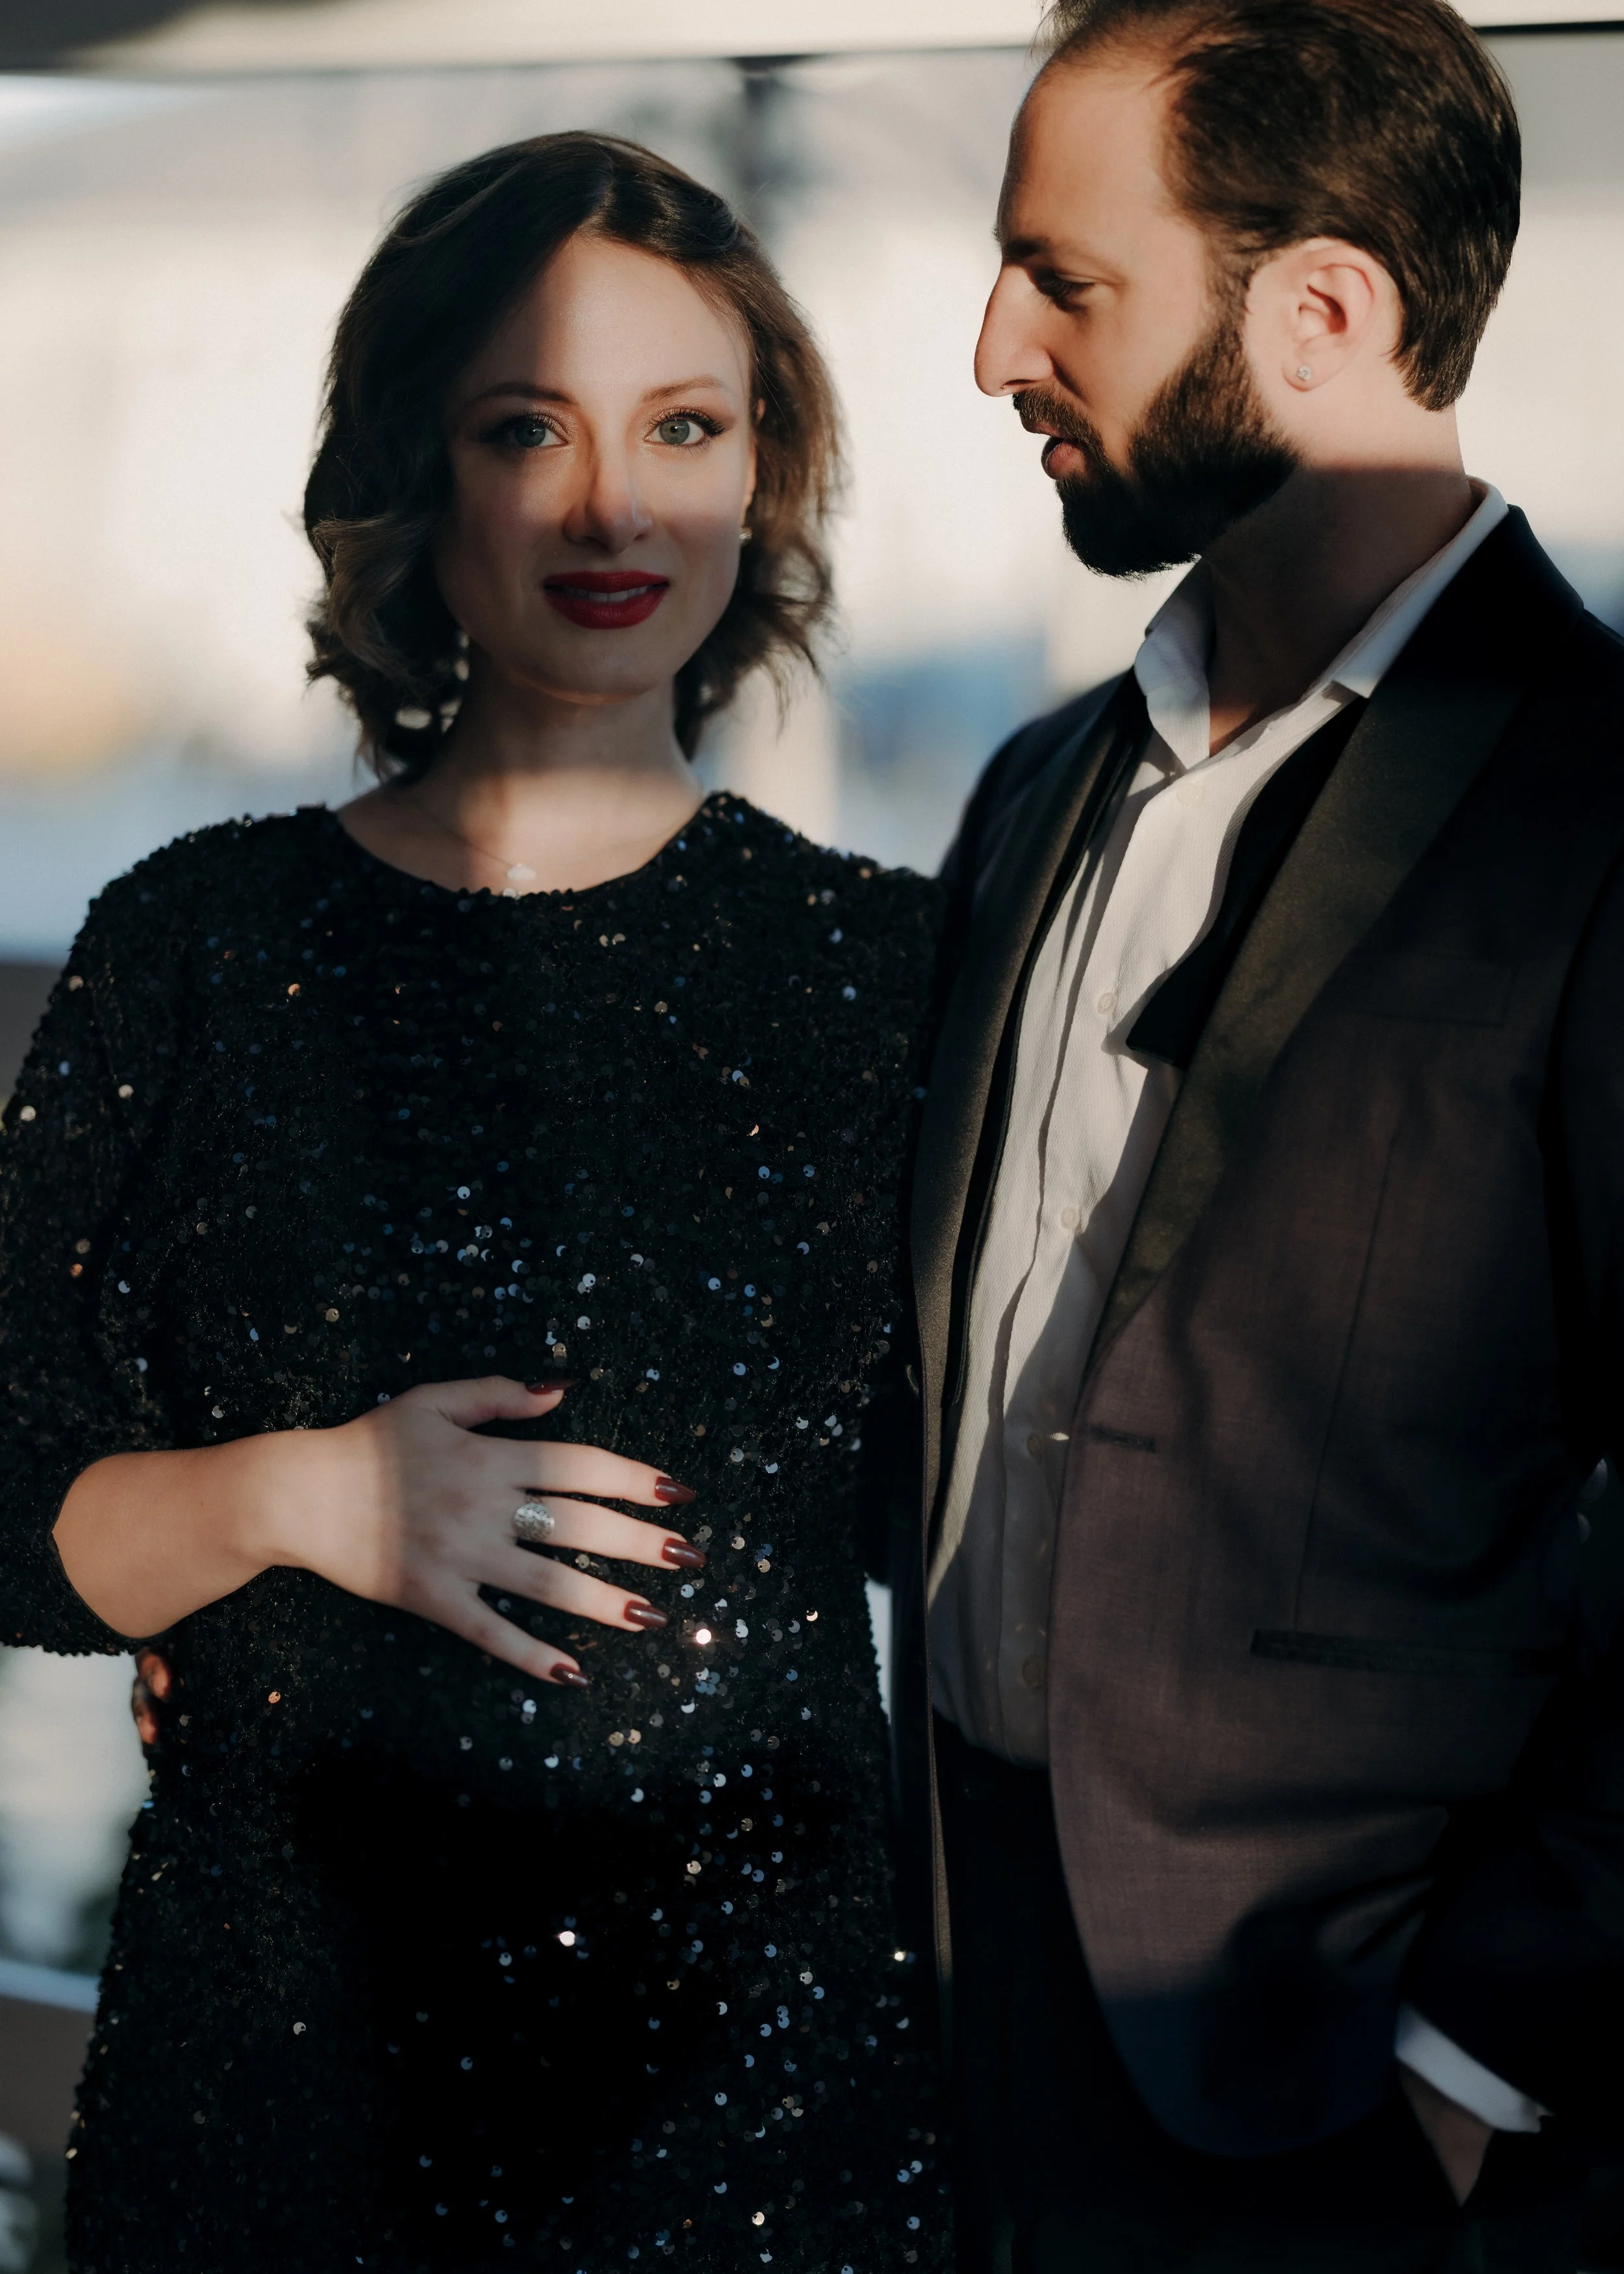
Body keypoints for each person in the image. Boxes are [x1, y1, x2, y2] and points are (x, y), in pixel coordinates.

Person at [0, 132, 945, 2271]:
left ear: (759, 481)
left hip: (756, 2109)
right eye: (531, 428)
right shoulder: (198, 947)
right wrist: (294, 1499)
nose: (615, 505)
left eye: (682, 429)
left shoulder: (892, 970)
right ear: (418, 481)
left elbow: (1007, 1521)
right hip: (280, 2092)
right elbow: (5, 1492)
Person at [899, 1, 1624, 2266]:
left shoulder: (1598, 806)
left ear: (1319, 309)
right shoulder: (1032, 790)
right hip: (969, 2011)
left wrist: (1473, 2057)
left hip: (1353, 2086)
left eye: (1064, 279)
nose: (992, 345)